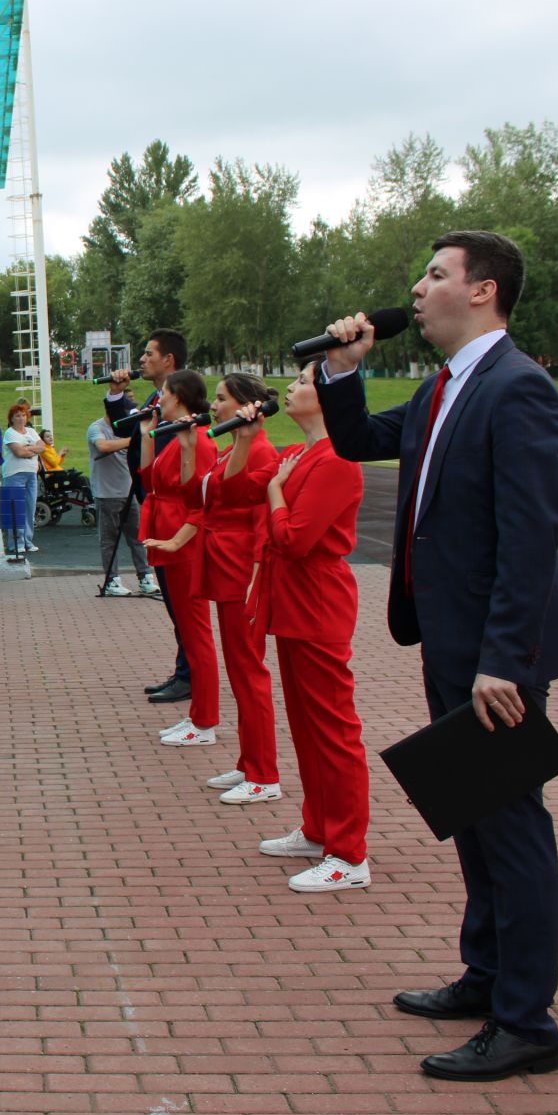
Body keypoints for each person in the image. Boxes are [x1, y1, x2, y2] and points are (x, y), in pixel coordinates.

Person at [315, 231, 558, 1081]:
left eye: (436, 274)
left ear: (483, 291)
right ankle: (486, 977)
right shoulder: (442, 387)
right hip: (448, 637)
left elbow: (532, 537)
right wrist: (343, 370)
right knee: (476, 817)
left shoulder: (518, 389)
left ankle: (526, 1022)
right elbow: (358, 440)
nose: (417, 288)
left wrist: (506, 661)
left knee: (512, 825)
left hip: (493, 651)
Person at [218, 364, 370, 884]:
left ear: (326, 399)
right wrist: (246, 435)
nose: (292, 388)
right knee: (306, 726)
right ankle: (319, 828)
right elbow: (237, 491)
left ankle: (349, 854)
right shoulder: (295, 454)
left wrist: (277, 498)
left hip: (318, 601)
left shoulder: (338, 460)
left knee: (334, 730)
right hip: (292, 600)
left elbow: (294, 539)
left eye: (304, 382)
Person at [194, 373, 283, 805]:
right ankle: (251, 762)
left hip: (241, 568)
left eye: (222, 398)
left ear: (246, 405)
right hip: (225, 566)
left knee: (249, 672)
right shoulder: (236, 447)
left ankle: (265, 774)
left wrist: (245, 442)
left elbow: (231, 494)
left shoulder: (260, 450)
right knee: (240, 670)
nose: (214, 405)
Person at [107, 332, 192, 704]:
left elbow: (170, 459)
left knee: (183, 602)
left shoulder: (179, 404)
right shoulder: (156, 398)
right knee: (175, 602)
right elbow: (129, 427)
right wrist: (115, 397)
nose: (141, 359)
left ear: (168, 360)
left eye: (148, 353)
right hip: (156, 507)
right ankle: (184, 670)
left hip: (174, 512)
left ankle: (191, 674)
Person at [139, 370, 219, 749]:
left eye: (165, 395)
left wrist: (178, 538)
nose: (159, 400)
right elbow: (148, 476)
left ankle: (204, 719)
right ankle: (198, 716)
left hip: (182, 540)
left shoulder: (198, 440)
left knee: (195, 632)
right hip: (168, 533)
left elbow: (198, 500)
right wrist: (144, 435)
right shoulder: (178, 436)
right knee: (187, 630)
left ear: (180, 396)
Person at [87, 408, 153, 597]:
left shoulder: (128, 428)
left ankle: (145, 576)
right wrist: (136, 439)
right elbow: (103, 447)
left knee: (138, 538)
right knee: (109, 541)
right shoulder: (96, 428)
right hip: (106, 494)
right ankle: (112, 581)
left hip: (128, 492)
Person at [0, 401, 45, 559]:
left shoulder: (31, 432)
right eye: (17, 415)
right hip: (14, 474)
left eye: (23, 415)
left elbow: (42, 447)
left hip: (31, 473)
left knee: (29, 508)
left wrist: (29, 449)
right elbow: (19, 452)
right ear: (11, 418)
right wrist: (33, 450)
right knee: (16, 509)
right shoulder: (10, 433)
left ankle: (28, 540)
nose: (20, 418)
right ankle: (16, 542)